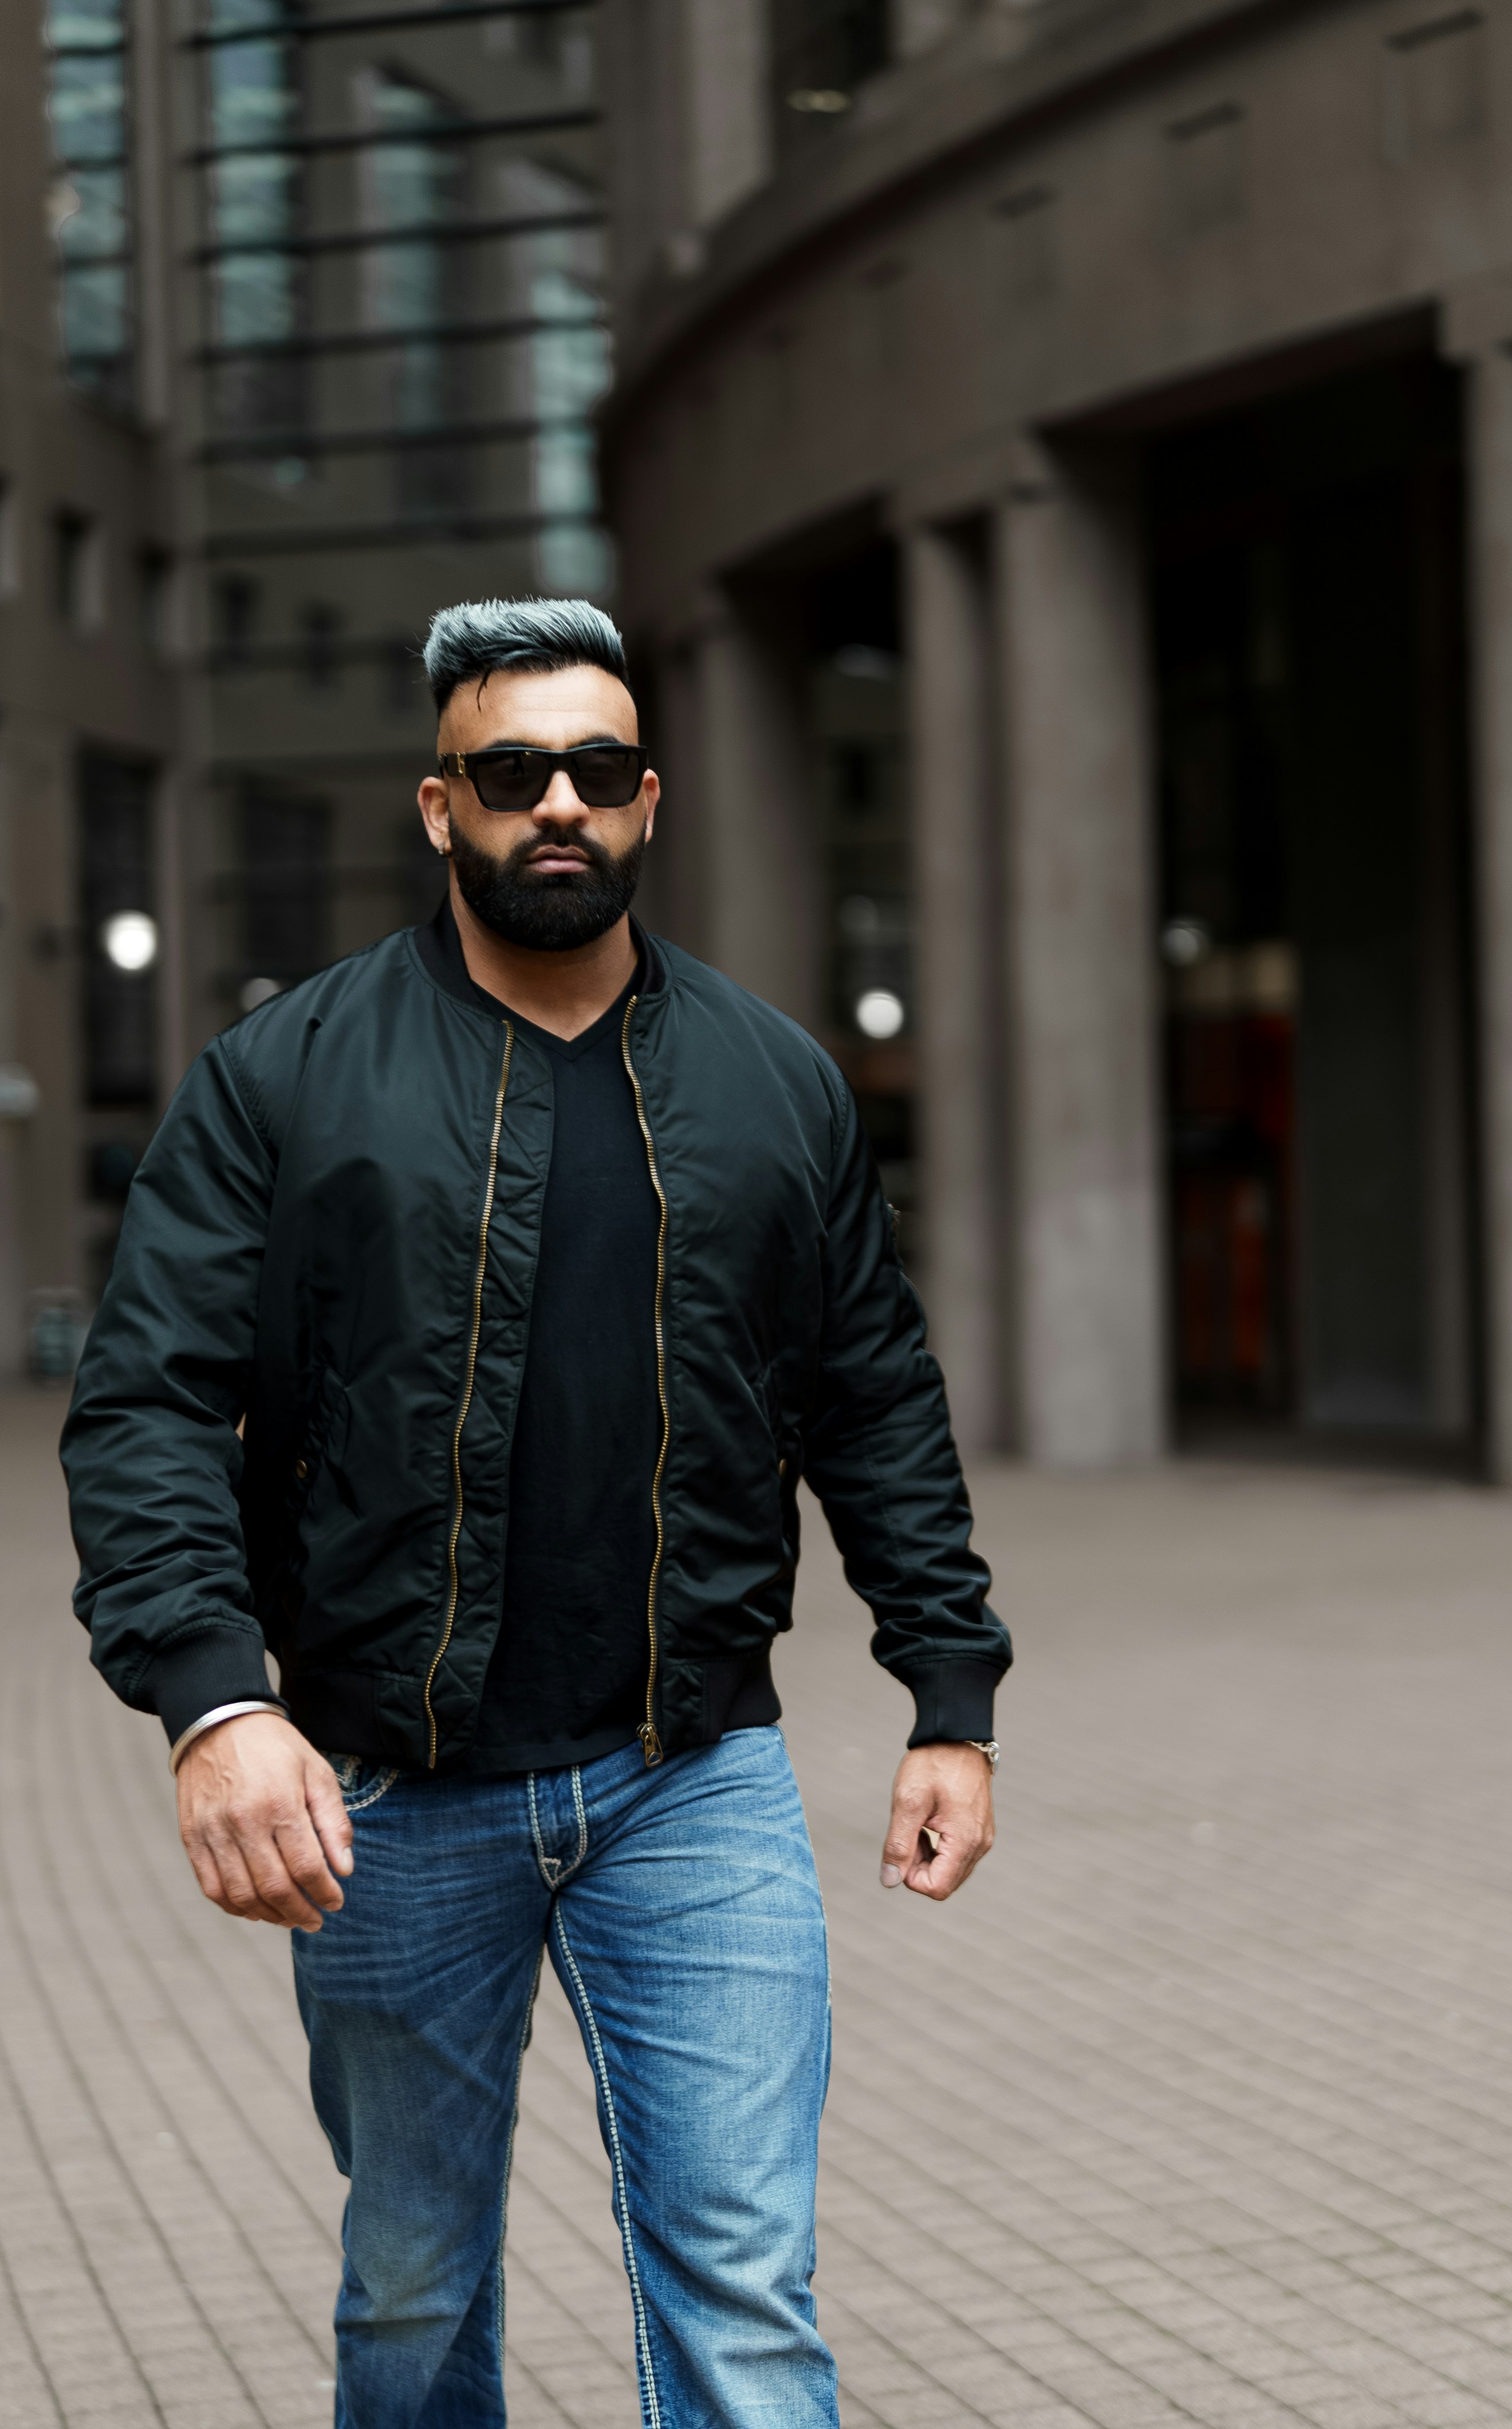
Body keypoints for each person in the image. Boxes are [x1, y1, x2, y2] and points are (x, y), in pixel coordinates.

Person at [61, 595, 1010, 2429]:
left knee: (743, 2284)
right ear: (442, 808)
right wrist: (213, 1699)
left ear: (649, 798)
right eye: (510, 772)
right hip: (387, 1797)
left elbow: (875, 1396)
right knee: (414, 2289)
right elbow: (148, 1403)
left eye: (594, 769)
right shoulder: (285, 1080)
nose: (555, 802)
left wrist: (949, 1692)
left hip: (694, 1778)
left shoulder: (775, 1082)